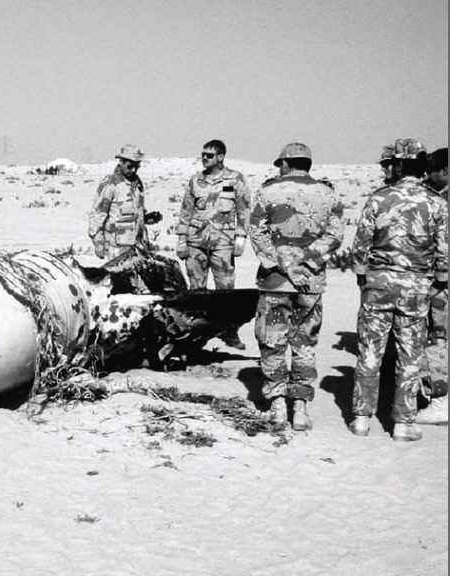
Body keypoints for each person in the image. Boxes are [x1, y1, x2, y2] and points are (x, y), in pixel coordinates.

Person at [350, 139, 448, 441]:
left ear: (399, 164)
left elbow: (360, 248)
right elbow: (444, 254)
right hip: (416, 289)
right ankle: (403, 422)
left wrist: (363, 279)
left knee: (370, 351)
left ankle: (361, 418)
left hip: (379, 285)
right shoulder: (436, 203)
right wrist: (438, 282)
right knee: (410, 354)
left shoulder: (379, 198)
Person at [248, 143, 345, 431]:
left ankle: (278, 407)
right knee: (304, 345)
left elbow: (257, 231)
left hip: (276, 283)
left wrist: (284, 264)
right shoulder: (328, 194)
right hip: (310, 284)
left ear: (287, 164)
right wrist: (307, 262)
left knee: (272, 342)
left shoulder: (268, 191)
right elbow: (336, 234)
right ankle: (300, 409)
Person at [176, 139, 253, 348]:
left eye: (209, 155)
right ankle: (194, 335)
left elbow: (244, 210)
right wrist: (182, 239)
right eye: (203, 154)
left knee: (226, 289)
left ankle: (228, 331)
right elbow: (186, 211)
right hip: (196, 242)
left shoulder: (235, 179)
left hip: (223, 243)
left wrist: (241, 236)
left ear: (220, 157)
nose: (204, 158)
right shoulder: (195, 180)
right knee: (196, 291)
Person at [417, 147, 449, 425]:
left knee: (437, 339)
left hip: (442, 286)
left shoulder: (441, 203)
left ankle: (440, 401)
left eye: (432, 171)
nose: (427, 177)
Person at [88, 145, 147, 262]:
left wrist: (146, 217)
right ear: (121, 162)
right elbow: (97, 214)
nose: (134, 170)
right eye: (130, 166)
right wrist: (98, 242)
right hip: (117, 248)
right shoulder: (110, 184)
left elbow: (135, 211)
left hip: (138, 245)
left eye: (137, 166)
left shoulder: (137, 183)